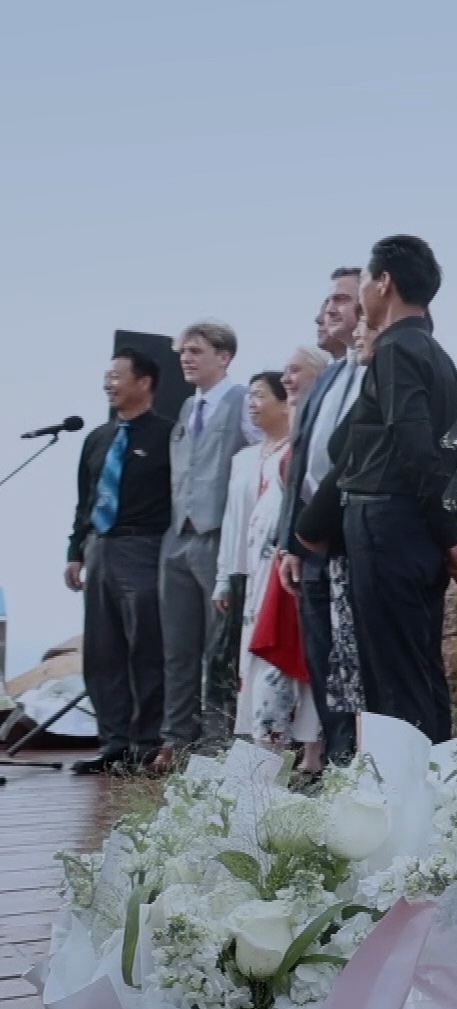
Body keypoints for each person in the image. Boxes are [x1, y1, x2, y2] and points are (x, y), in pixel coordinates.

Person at [300, 236, 457, 742]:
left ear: (384, 283)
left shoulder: (396, 350)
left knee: (393, 678)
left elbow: (414, 447)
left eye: (366, 283)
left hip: (387, 524)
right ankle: (434, 776)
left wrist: (447, 533)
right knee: (418, 668)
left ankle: (406, 785)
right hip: (411, 528)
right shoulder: (436, 355)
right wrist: (446, 530)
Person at [157, 320, 259, 770]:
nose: (186, 359)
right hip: (178, 535)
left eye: (196, 351)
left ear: (224, 355)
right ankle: (176, 737)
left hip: (218, 536)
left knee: (220, 648)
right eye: (184, 351)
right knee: (178, 646)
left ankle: (218, 739)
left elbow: (262, 458)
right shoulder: (186, 407)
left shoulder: (242, 402)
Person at [65, 350, 171, 775]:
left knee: (146, 648)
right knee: (102, 651)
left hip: (144, 548)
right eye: (107, 376)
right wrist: (75, 551)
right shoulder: (98, 438)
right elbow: (85, 501)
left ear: (144, 382)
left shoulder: (167, 435)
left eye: (116, 376)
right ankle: (114, 743)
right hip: (100, 547)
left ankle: (147, 743)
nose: (108, 384)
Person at [277, 269, 365, 764]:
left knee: (357, 665)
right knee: (322, 659)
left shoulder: (377, 369)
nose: (328, 309)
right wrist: (291, 541)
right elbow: (300, 461)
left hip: (353, 536)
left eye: (341, 299)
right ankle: (336, 764)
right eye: (327, 300)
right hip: (310, 546)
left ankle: (356, 765)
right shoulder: (329, 376)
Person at [215, 373, 321, 772]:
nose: (252, 403)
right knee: (255, 660)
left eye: (261, 395)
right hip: (256, 574)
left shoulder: (299, 450)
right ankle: (264, 754)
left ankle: (302, 754)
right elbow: (236, 521)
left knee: (286, 658)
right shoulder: (247, 458)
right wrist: (227, 575)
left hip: (287, 568)